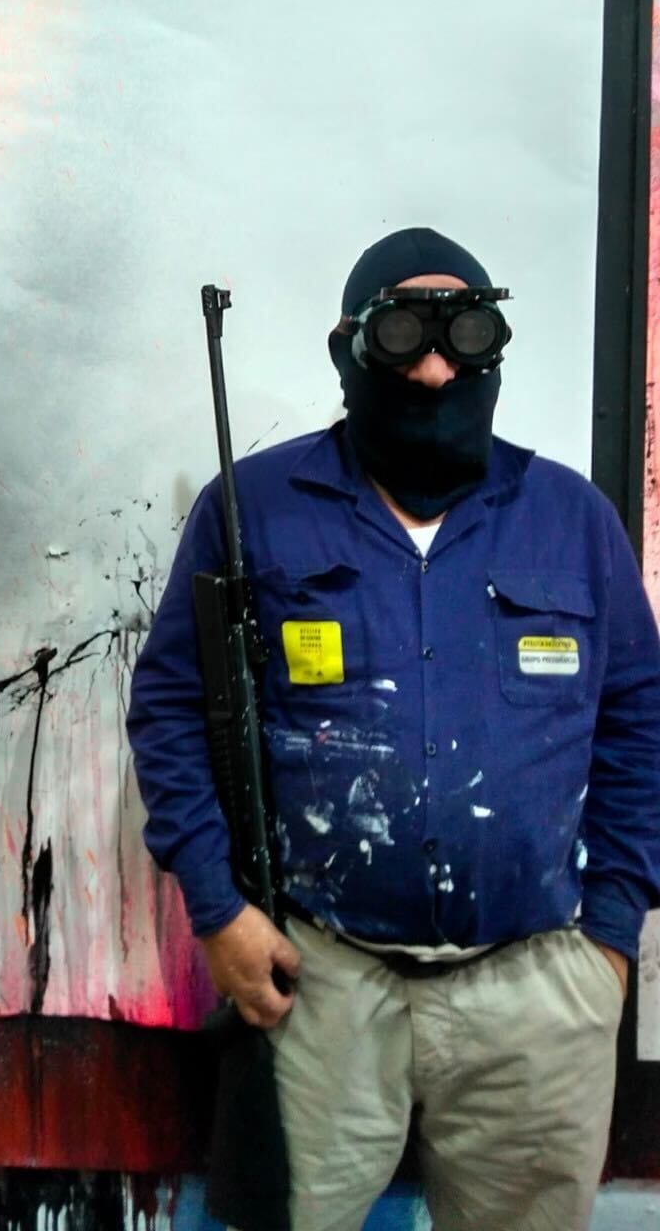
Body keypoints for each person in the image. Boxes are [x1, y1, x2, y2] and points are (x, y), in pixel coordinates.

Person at [127, 227, 660, 1231]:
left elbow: (641, 728)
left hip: (538, 987)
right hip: (317, 977)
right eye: (405, 334)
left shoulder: (573, 520)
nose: (435, 368)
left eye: (467, 334)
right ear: (350, 349)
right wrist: (217, 908)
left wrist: (611, 939)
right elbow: (171, 709)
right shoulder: (256, 511)